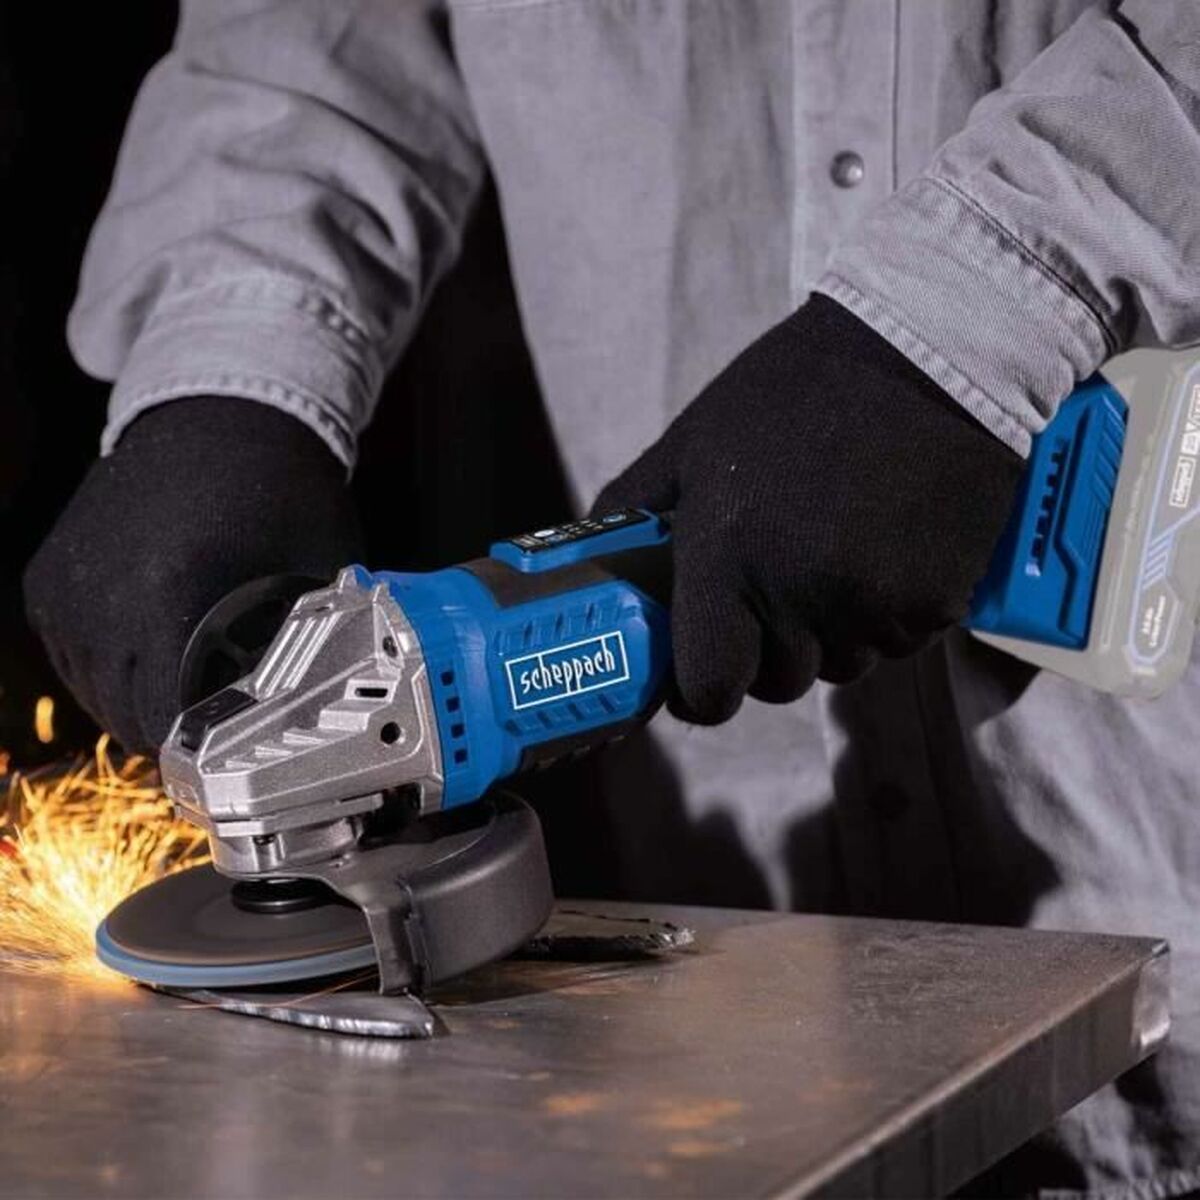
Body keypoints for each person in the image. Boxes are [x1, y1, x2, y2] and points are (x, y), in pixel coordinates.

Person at [22, 2, 1200, 1193]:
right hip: (741, 1023)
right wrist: (222, 387)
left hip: (1155, 894)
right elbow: (312, 46)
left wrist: (975, 313)